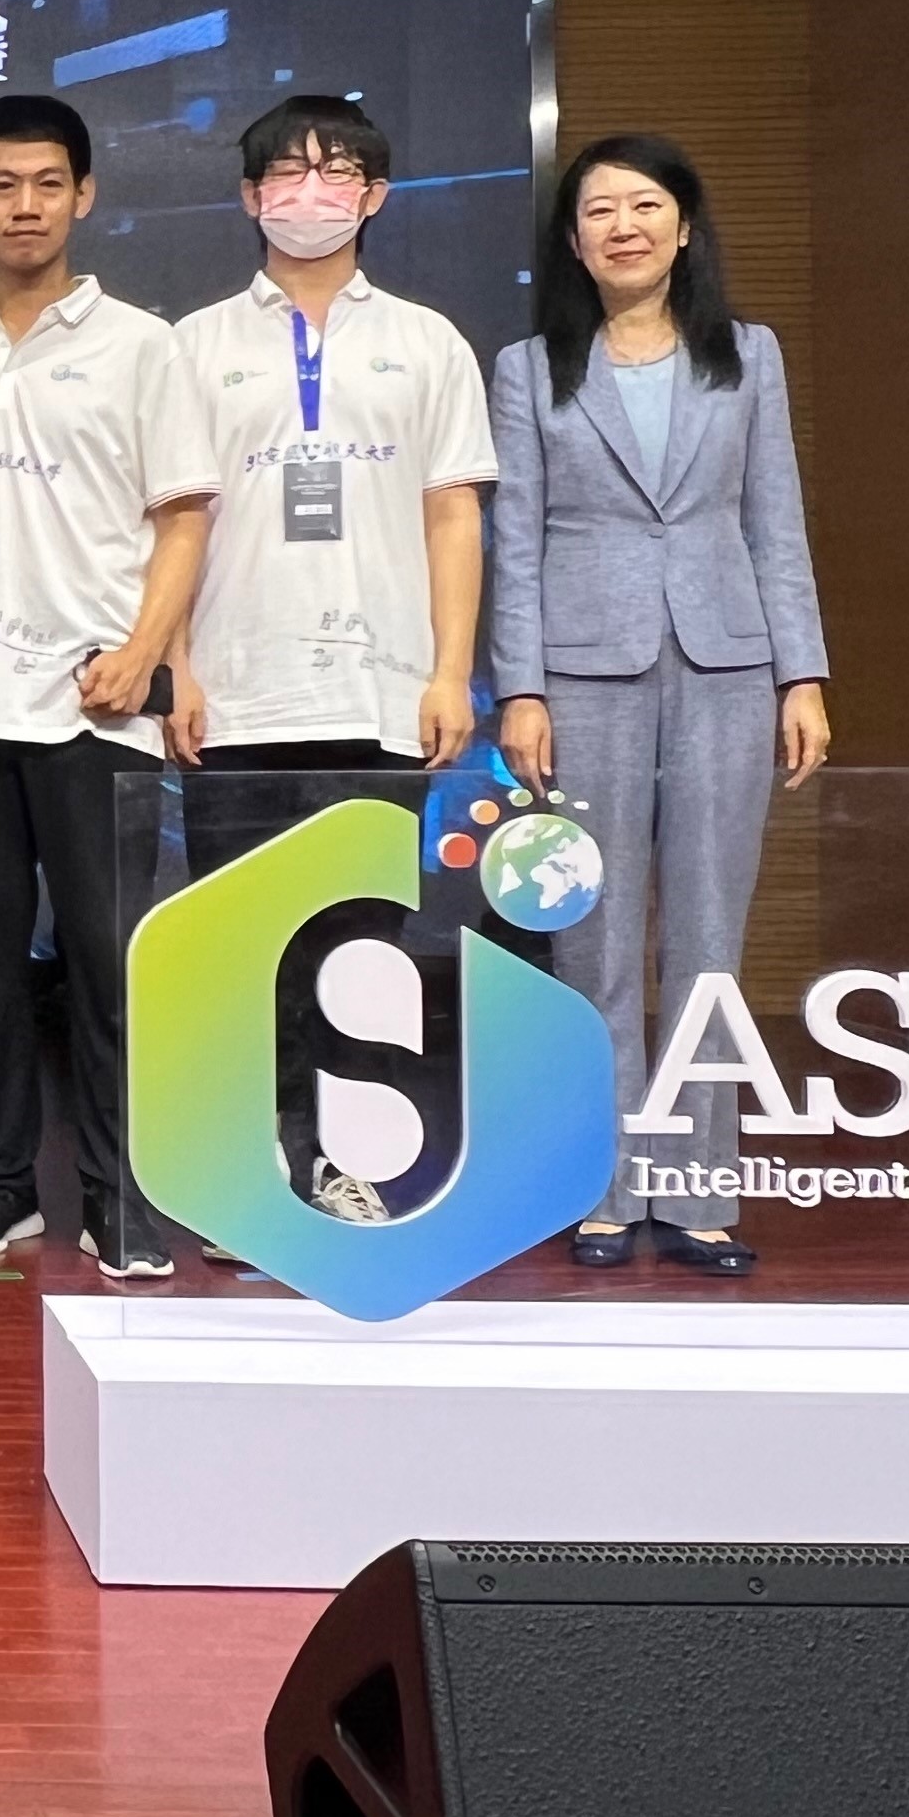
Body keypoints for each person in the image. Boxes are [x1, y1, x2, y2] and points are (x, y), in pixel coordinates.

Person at [489, 132, 830, 1276]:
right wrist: (521, 688)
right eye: (599, 211)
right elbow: (514, 543)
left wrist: (802, 673)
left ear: (684, 228)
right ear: (572, 240)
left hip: (727, 665)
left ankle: (695, 1187)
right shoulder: (529, 369)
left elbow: (774, 522)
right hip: (583, 671)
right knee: (591, 935)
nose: (623, 227)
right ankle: (601, 1185)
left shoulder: (749, 355)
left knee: (708, 936)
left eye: (645, 206)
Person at [0, 98, 218, 1276]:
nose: (24, 207)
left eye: (46, 184)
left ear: (83, 195)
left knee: (108, 959)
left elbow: (184, 517)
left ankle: (121, 1195)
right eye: (2, 185)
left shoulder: (140, 346)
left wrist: (146, 652)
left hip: (94, 699)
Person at [171, 94, 500, 1226]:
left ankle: (342, 1163)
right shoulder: (193, 345)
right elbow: (172, 524)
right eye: (287, 172)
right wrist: (177, 667)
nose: (310, 193)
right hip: (236, 692)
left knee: (359, 944)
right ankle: (249, 1171)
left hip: (380, 692)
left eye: (338, 171)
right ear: (249, 195)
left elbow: (453, 514)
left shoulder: (427, 341)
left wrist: (449, 670)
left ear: (377, 196)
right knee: (239, 946)